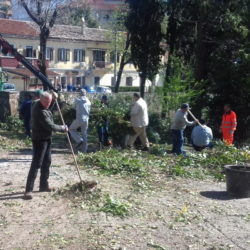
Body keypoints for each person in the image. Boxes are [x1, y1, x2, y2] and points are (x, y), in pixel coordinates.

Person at [24, 91, 68, 200]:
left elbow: (48, 106)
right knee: (37, 163)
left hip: (47, 138)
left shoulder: (41, 103)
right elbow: (50, 126)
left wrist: (54, 98)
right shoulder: (39, 111)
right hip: (39, 139)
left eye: (50, 102)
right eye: (47, 102)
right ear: (41, 99)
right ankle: (28, 190)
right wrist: (62, 128)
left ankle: (43, 185)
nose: (49, 104)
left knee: (47, 161)